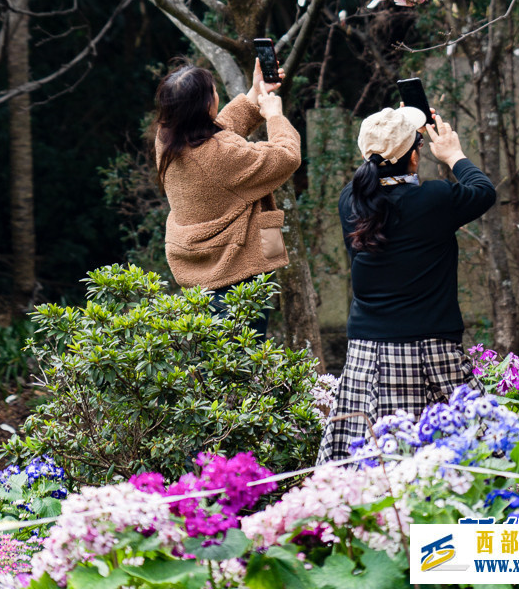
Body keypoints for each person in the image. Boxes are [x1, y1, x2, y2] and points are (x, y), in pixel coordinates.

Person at [317, 105, 496, 463]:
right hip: (432, 348)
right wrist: (453, 154)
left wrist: (400, 124)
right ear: (415, 158)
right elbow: (483, 190)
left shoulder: (350, 201)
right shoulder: (434, 198)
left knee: (373, 463)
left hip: (368, 353)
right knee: (471, 453)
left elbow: (388, 172)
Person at [153, 58, 301, 335]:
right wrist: (275, 117)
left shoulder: (166, 140)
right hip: (237, 273)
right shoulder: (221, 154)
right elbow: (287, 157)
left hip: (199, 274)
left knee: (213, 367)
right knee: (240, 366)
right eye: (213, 91)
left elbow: (218, 130)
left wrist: (256, 93)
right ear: (206, 104)